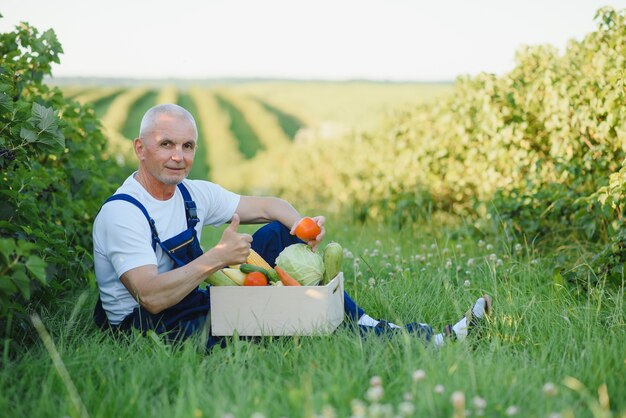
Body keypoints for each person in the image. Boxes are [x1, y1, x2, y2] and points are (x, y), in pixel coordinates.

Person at [92, 104, 491, 350]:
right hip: (148, 330)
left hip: (190, 300)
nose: (178, 157)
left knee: (280, 235)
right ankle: (414, 340)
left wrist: (302, 226)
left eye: (188, 146)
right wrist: (214, 260)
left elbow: (269, 205)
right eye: (166, 144)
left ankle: (368, 325)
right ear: (140, 149)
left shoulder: (190, 193)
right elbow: (150, 297)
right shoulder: (123, 213)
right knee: (282, 321)